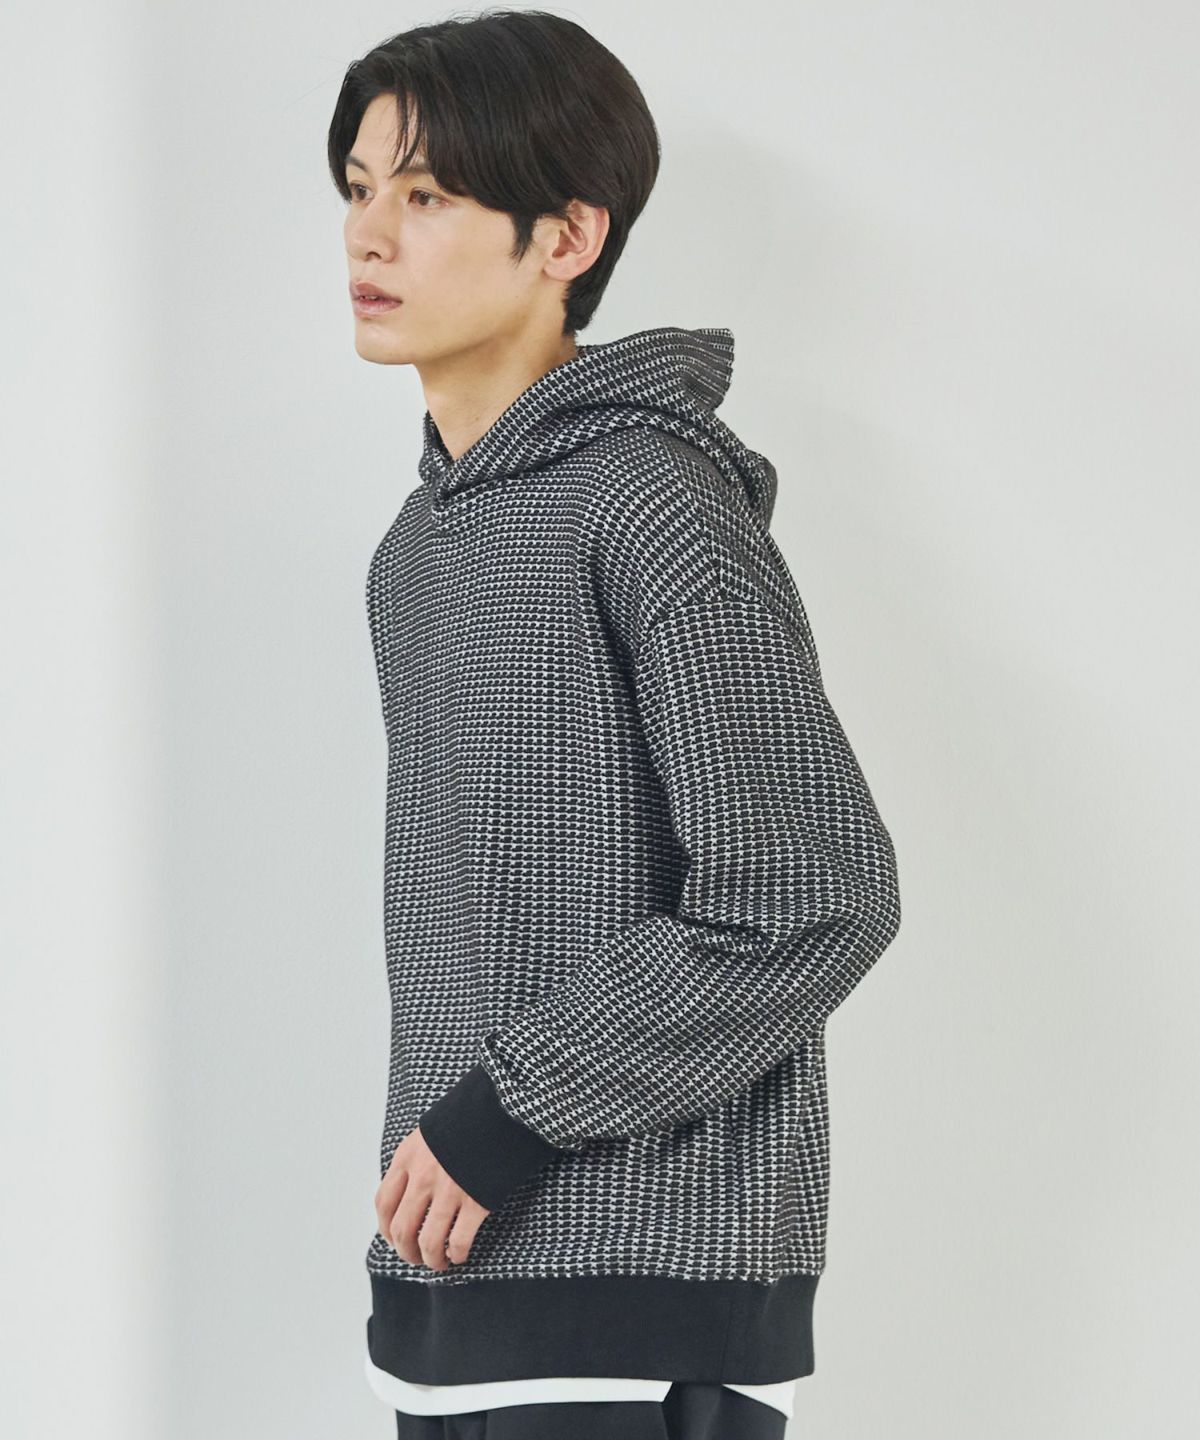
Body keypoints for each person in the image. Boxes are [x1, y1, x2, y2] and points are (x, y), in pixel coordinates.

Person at [328, 10, 902, 1438]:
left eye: (427, 195)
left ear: (567, 236)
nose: (369, 236)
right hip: (456, 1291)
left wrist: (504, 1113)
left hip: (645, 1291)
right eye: (359, 188)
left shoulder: (654, 502)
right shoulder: (417, 550)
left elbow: (812, 891)